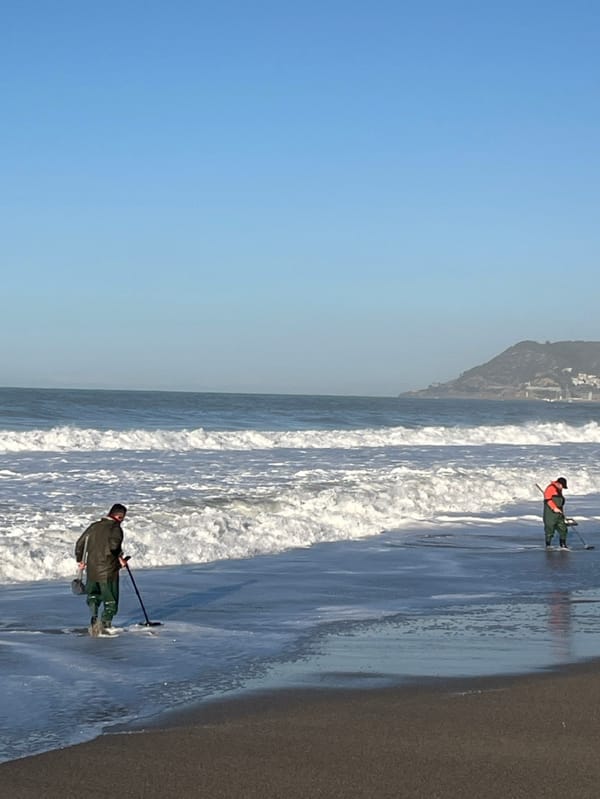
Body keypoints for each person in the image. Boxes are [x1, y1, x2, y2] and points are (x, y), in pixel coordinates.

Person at [75, 503, 128, 636]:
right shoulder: (115, 528)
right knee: (110, 600)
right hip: (108, 570)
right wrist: (120, 559)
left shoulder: (94, 526)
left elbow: (79, 543)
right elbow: (114, 546)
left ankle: (93, 618)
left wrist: (80, 560)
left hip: (92, 569)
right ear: (119, 517)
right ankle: (105, 624)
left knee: (93, 595)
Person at [543, 478, 569, 549]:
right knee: (549, 528)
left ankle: (563, 544)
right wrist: (554, 508)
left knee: (563, 528)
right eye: (562, 486)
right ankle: (548, 545)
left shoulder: (559, 489)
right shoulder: (550, 488)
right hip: (550, 513)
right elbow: (548, 500)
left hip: (559, 512)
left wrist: (560, 510)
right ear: (558, 483)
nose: (562, 488)